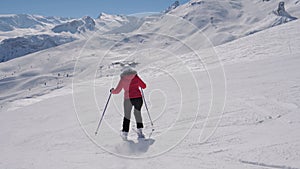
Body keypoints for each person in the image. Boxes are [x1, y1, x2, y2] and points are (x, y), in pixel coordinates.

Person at [110, 67, 146, 140]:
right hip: (138, 98)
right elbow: (144, 86)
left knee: (127, 116)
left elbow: (117, 91)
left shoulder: (123, 79)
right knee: (137, 113)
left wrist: (112, 91)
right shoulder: (136, 77)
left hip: (128, 99)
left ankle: (125, 133)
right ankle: (140, 131)